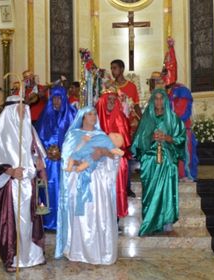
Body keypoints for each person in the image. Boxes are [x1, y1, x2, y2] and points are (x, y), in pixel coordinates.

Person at [0, 95, 47, 272]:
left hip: (29, 183)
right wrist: (9, 171)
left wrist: (38, 163)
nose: (24, 112)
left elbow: (35, 152)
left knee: (31, 221)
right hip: (11, 186)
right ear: (10, 111)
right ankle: (12, 258)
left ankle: (33, 255)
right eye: (20, 108)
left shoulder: (29, 129)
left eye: (25, 108)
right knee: (13, 223)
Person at [56, 106, 120, 265]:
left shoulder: (102, 135)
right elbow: (67, 160)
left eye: (95, 114)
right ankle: (78, 251)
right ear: (82, 118)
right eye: (89, 114)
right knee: (81, 216)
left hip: (98, 181)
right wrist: (82, 161)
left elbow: (114, 157)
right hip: (78, 179)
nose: (93, 117)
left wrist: (103, 154)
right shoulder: (73, 135)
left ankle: (99, 252)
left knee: (98, 214)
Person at [131, 89, 186, 236]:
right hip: (150, 161)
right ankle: (149, 222)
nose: (159, 102)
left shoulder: (173, 118)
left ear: (166, 101)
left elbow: (181, 139)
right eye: (156, 99)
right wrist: (151, 138)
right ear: (152, 101)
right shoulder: (147, 119)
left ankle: (166, 222)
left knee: (167, 191)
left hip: (167, 160)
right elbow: (137, 142)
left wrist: (167, 138)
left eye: (162, 99)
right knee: (151, 192)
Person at [34, 86, 77, 230]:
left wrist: (63, 151)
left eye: (59, 98)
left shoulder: (72, 114)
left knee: (66, 190)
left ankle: (66, 221)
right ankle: (48, 221)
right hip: (49, 163)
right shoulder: (45, 114)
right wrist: (48, 151)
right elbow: (38, 138)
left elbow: (77, 138)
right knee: (49, 190)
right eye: (54, 98)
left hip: (66, 162)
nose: (56, 101)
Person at [162, 38, 199, 181]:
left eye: (168, 70)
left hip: (181, 132)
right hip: (168, 133)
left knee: (183, 161)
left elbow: (182, 113)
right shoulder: (165, 92)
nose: (165, 73)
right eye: (165, 70)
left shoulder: (182, 90)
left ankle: (184, 175)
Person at [96, 89, 131, 219]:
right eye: (108, 99)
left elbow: (124, 143)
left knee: (120, 167)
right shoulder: (95, 118)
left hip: (117, 157)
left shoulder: (120, 117)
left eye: (113, 100)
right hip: (99, 157)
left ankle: (115, 215)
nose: (111, 102)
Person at [110, 59, 141, 197]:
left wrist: (142, 121)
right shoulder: (109, 87)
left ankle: (127, 187)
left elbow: (136, 106)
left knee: (126, 157)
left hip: (128, 127)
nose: (113, 71)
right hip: (114, 127)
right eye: (111, 68)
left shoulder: (131, 86)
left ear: (122, 69)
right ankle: (113, 186)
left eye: (115, 68)